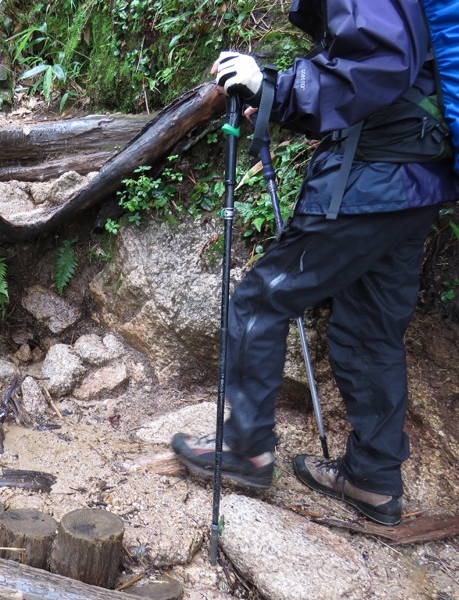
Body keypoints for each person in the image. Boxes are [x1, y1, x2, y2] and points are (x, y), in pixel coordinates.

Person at [171, 0, 459, 526]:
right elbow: (388, 76)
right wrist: (280, 98)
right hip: (418, 180)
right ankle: (373, 480)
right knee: (369, 331)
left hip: (371, 180)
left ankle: (246, 450)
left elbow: (378, 62)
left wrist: (278, 87)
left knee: (262, 298)